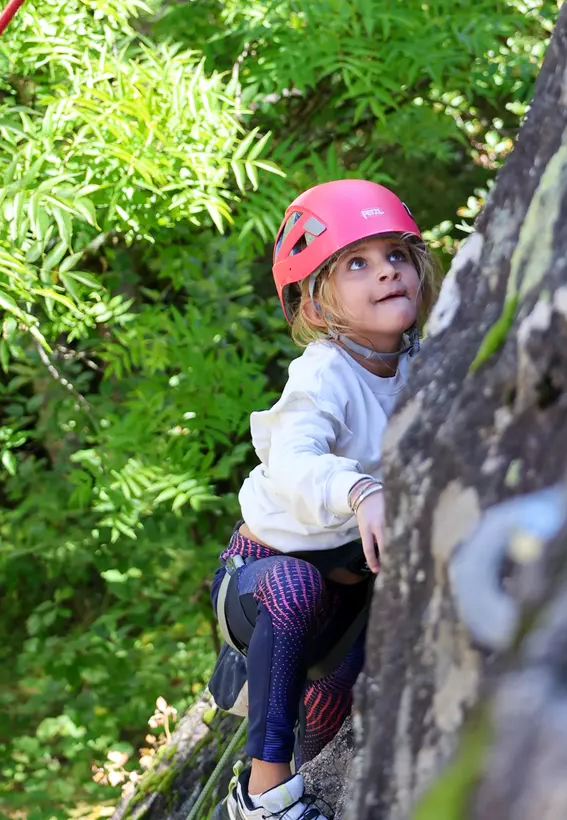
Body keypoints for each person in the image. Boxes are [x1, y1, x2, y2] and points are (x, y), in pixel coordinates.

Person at [212, 179, 438, 820]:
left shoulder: (424, 362)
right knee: (293, 587)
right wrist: (362, 489)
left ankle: (308, 713)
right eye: (356, 265)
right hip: (265, 580)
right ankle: (263, 794)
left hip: (354, 585)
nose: (386, 273)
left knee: (327, 713)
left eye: (396, 255)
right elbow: (292, 460)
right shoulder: (324, 370)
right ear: (316, 305)